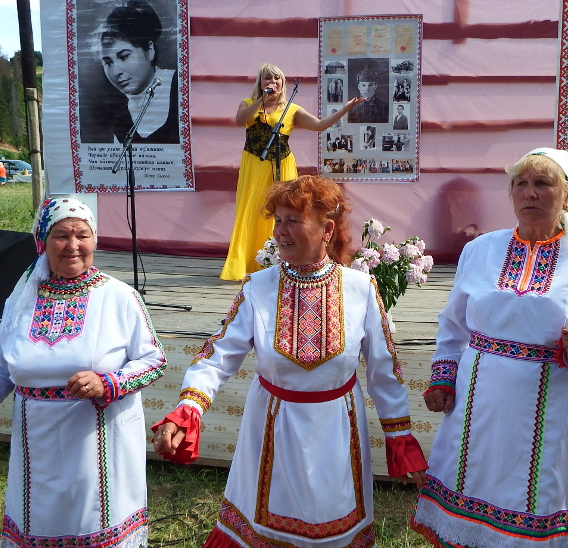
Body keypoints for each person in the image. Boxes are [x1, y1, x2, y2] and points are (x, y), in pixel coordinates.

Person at [155, 175, 428, 546]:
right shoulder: (257, 287)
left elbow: (383, 370)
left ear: (326, 229)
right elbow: (218, 356)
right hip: (271, 424)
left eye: (293, 221)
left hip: (336, 426)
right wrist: (188, 409)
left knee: (334, 519)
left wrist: (399, 436)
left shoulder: (361, 289)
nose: (281, 231)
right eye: (278, 220)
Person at [411, 148, 568, 546]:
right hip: (478, 400)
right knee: (471, 478)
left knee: (537, 492)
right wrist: (443, 377)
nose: (529, 193)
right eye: (520, 184)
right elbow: (453, 324)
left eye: (543, 183)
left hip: (551, 404)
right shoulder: (480, 250)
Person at [0, 196, 167, 546]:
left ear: (94, 239)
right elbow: (0, 367)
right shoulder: (22, 299)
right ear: (42, 241)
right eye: (61, 235)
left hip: (97, 440)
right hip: (36, 444)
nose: (73, 245)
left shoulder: (119, 296)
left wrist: (108, 382)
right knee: (39, 520)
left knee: (94, 523)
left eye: (82, 235)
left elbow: (153, 360)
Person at [219, 63, 365, 281]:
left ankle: (281, 260)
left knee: (284, 210)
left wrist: (345, 109)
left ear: (283, 83)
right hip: (254, 164)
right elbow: (241, 120)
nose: (272, 82)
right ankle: (248, 262)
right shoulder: (248, 103)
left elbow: (320, 125)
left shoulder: (291, 109)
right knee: (252, 210)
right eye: (267, 78)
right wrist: (262, 100)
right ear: (260, 83)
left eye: (276, 78)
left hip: (282, 164)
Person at [96, 0, 179, 144]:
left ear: (149, 50)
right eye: (108, 62)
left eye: (124, 56)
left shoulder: (179, 85)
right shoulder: (122, 119)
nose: (116, 72)